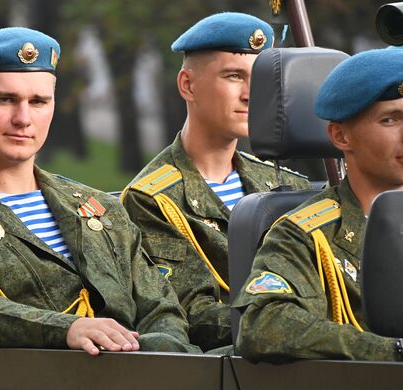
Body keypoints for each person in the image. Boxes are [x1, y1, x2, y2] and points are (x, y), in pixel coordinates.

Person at [0, 27, 200, 356]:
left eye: (38, 101)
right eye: (5, 99)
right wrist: (67, 329)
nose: (23, 118)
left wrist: (162, 357)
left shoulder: (99, 206)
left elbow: (160, 306)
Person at [121, 12, 310, 352]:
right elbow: (191, 311)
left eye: (260, 80)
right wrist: (293, 326)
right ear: (187, 85)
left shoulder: (287, 187)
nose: (250, 94)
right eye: (234, 76)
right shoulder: (151, 199)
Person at [233, 47, 403, 361]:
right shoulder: (304, 236)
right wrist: (390, 351)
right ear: (340, 137)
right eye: (390, 120)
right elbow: (263, 324)